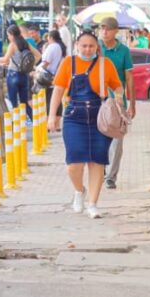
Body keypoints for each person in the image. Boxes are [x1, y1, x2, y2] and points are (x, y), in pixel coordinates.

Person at [48, 31, 124, 219]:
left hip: (99, 118)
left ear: (97, 47)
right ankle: (79, 190)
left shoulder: (105, 64)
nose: (88, 49)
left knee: (97, 160)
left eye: (91, 46)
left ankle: (93, 204)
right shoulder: (68, 63)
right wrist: (52, 116)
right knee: (73, 164)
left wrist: (119, 97)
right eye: (84, 46)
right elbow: (57, 90)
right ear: (77, 45)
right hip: (74, 116)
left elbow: (117, 86)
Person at [98, 17, 136, 190]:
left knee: (116, 140)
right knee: (99, 138)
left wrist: (132, 103)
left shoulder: (124, 51)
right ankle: (100, 171)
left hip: (117, 102)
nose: (104, 32)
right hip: (98, 99)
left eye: (108, 29)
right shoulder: (96, 48)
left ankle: (111, 177)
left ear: (115, 31)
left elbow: (129, 77)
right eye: (102, 29)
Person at [0, 25, 42, 121]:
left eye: (8, 35)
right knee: (24, 102)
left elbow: (5, 60)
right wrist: (30, 66)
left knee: (14, 103)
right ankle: (35, 121)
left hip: (13, 75)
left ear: (12, 35)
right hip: (23, 76)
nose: (8, 37)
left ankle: (17, 124)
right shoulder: (25, 43)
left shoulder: (13, 45)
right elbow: (38, 55)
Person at [39, 29, 66, 112]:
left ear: (50, 37)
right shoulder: (59, 47)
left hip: (46, 76)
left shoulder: (52, 47)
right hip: (54, 75)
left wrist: (37, 70)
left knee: (46, 98)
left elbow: (46, 63)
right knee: (54, 97)